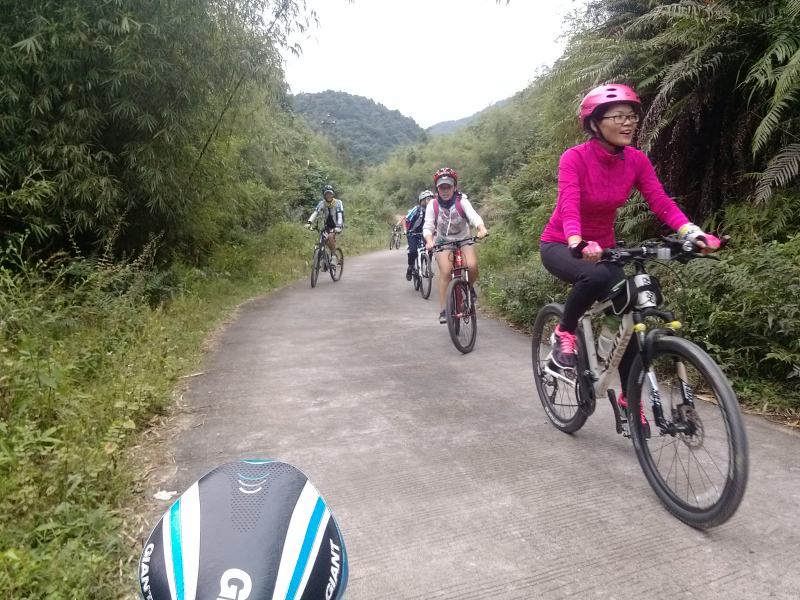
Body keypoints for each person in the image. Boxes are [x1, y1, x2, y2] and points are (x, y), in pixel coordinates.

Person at [539, 83, 720, 430]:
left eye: (632, 116)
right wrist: (576, 239)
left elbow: (660, 201)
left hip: (605, 249)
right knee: (593, 276)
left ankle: (629, 397)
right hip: (562, 244)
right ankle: (564, 333)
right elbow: (569, 202)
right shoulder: (574, 158)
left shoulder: (636, 160)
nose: (628, 123)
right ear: (595, 123)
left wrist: (692, 234)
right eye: (618, 116)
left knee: (629, 307)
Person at [423, 168, 488, 324]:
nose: (445, 191)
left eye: (449, 187)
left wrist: (481, 229)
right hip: (443, 243)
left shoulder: (462, 201)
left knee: (471, 265)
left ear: (455, 187)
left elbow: (473, 216)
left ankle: (468, 288)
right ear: (437, 189)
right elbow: (428, 225)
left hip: (464, 240)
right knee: (446, 271)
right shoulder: (433, 205)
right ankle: (444, 310)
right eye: (442, 187)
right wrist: (429, 241)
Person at [399, 190, 435, 281]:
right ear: (422, 201)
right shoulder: (417, 209)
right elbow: (405, 220)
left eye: (432, 199)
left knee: (430, 249)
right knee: (413, 251)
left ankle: (428, 268)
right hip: (412, 234)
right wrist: (405, 231)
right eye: (428, 199)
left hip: (425, 234)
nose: (430, 201)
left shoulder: (433, 210)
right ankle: (410, 267)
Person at [305, 185, 344, 265]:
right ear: (324, 195)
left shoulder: (338, 202)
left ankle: (333, 257)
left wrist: (339, 226)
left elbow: (340, 215)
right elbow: (315, 213)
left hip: (337, 226)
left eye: (330, 193)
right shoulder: (322, 203)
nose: (329, 195)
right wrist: (309, 222)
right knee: (322, 239)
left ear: (333, 194)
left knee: (330, 236)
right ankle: (322, 258)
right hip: (327, 226)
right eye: (327, 194)